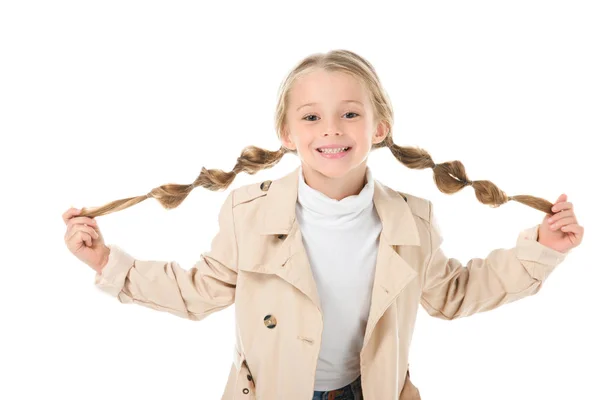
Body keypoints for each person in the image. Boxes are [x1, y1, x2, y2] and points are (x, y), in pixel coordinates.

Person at [62, 49, 584, 399]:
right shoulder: (248, 210)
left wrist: (541, 248)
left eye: (350, 114)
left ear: (380, 127)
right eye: (311, 117)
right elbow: (200, 290)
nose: (331, 129)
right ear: (286, 132)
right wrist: (107, 262)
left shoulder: (412, 218)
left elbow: (452, 292)